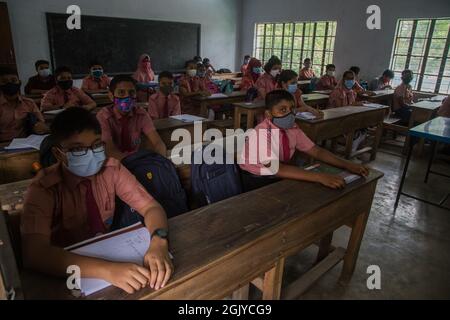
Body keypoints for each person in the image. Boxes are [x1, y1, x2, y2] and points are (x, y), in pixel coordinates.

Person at [21, 107, 173, 294]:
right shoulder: (43, 187)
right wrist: (107, 271)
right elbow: (34, 253)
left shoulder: (111, 169)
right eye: (77, 149)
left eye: (96, 145)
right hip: (65, 270)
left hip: (109, 249)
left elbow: (151, 207)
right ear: (59, 154)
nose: (91, 155)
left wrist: (159, 242)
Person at [239, 89, 368, 191]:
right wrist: (319, 177)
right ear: (268, 114)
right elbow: (277, 169)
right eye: (282, 110)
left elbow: (316, 151)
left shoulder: (292, 128)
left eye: (291, 109)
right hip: (256, 180)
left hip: (280, 171)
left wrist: (347, 164)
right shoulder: (260, 133)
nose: (289, 114)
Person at [96, 75, 167, 160]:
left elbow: (158, 142)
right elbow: (110, 150)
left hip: (136, 160)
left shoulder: (141, 114)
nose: (127, 97)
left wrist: (162, 161)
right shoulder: (103, 116)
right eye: (121, 92)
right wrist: (135, 165)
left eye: (131, 93)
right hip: (114, 164)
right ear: (111, 96)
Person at [0, 67, 48, 141]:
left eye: (13, 80)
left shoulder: (29, 103)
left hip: (26, 142)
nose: (10, 84)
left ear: (19, 82)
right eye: (4, 81)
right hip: (2, 145)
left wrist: (38, 126)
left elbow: (41, 123)